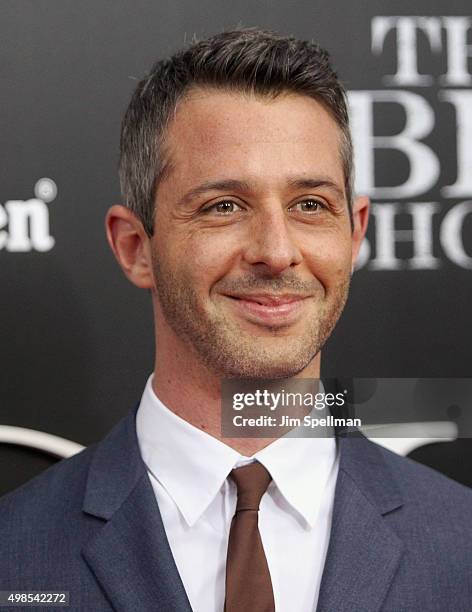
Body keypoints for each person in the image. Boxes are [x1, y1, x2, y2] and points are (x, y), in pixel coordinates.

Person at [1, 28, 471, 612]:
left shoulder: (462, 545)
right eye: (224, 206)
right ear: (134, 247)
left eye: (309, 206)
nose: (276, 251)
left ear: (354, 234)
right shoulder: (13, 555)